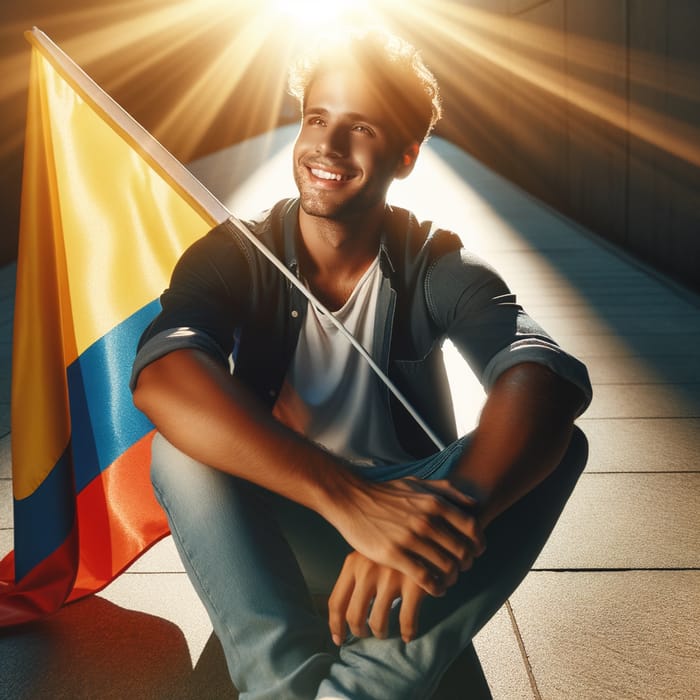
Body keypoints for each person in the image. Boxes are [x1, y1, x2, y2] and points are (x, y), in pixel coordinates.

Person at [130, 28, 592, 700]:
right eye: (317, 119)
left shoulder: (435, 262)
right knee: (180, 447)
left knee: (555, 447)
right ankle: (284, 684)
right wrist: (351, 502)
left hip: (411, 532)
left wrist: (441, 508)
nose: (328, 146)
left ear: (405, 156)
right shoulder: (237, 253)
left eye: (361, 128)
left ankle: (360, 691)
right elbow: (163, 377)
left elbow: (543, 378)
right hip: (282, 519)